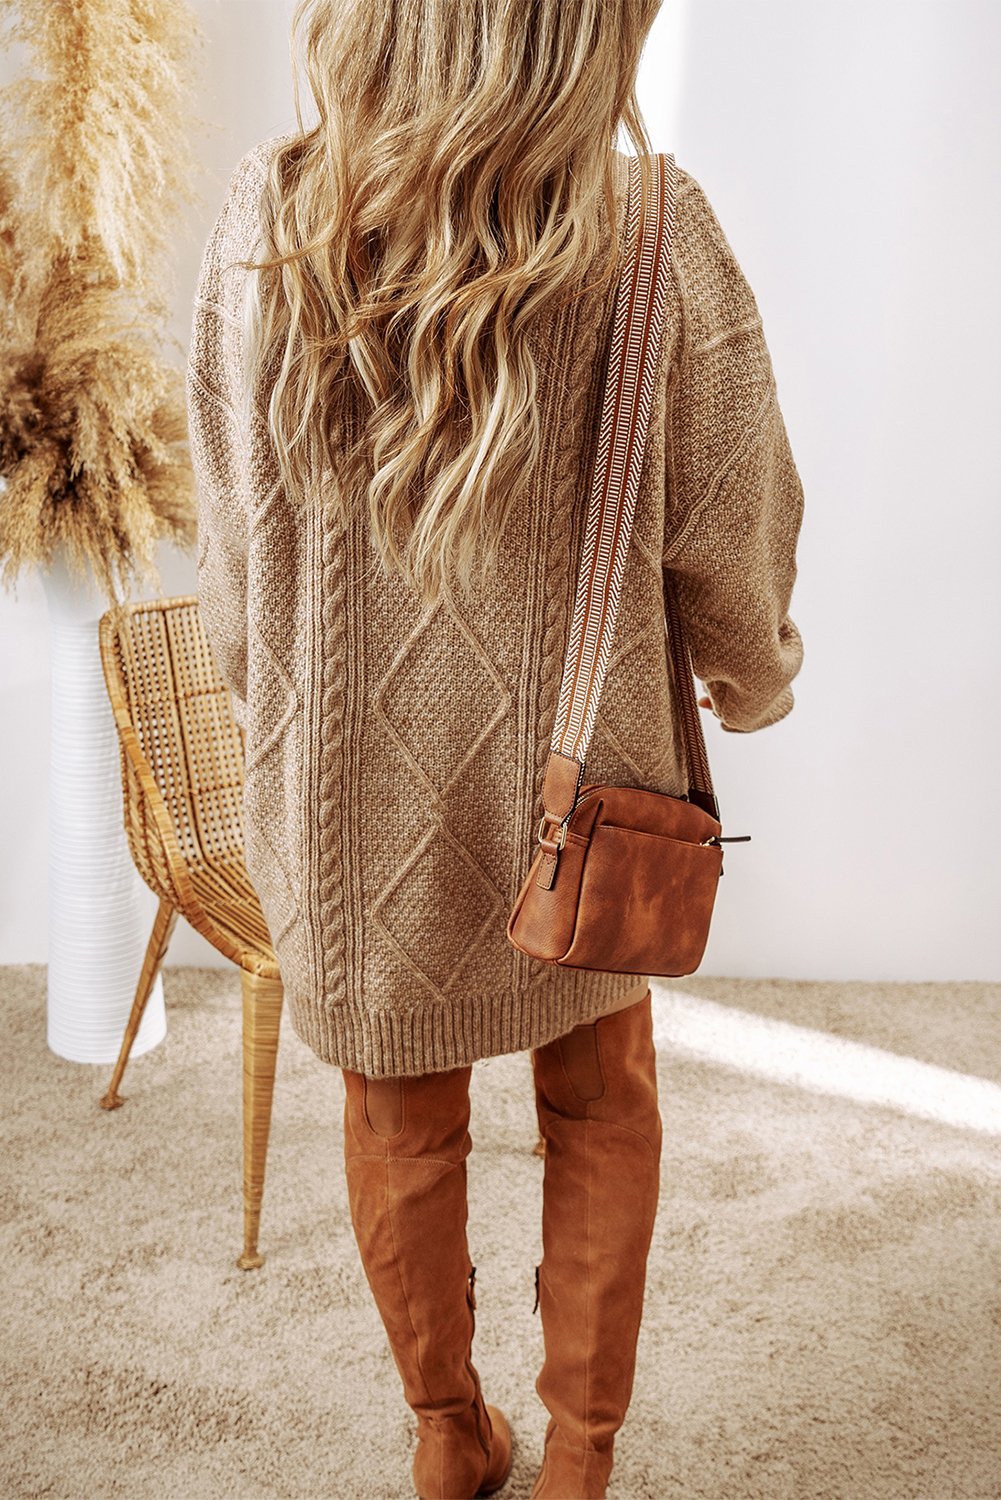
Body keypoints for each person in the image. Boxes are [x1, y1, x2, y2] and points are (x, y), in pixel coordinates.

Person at [186, 2, 805, 1495]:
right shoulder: (651, 230)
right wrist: (754, 673)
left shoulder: (272, 216)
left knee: (395, 1103)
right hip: (583, 790)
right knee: (602, 1092)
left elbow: (233, 534)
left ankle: (447, 1437)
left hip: (344, 793)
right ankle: (582, 1457)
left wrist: (269, 708)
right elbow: (732, 511)